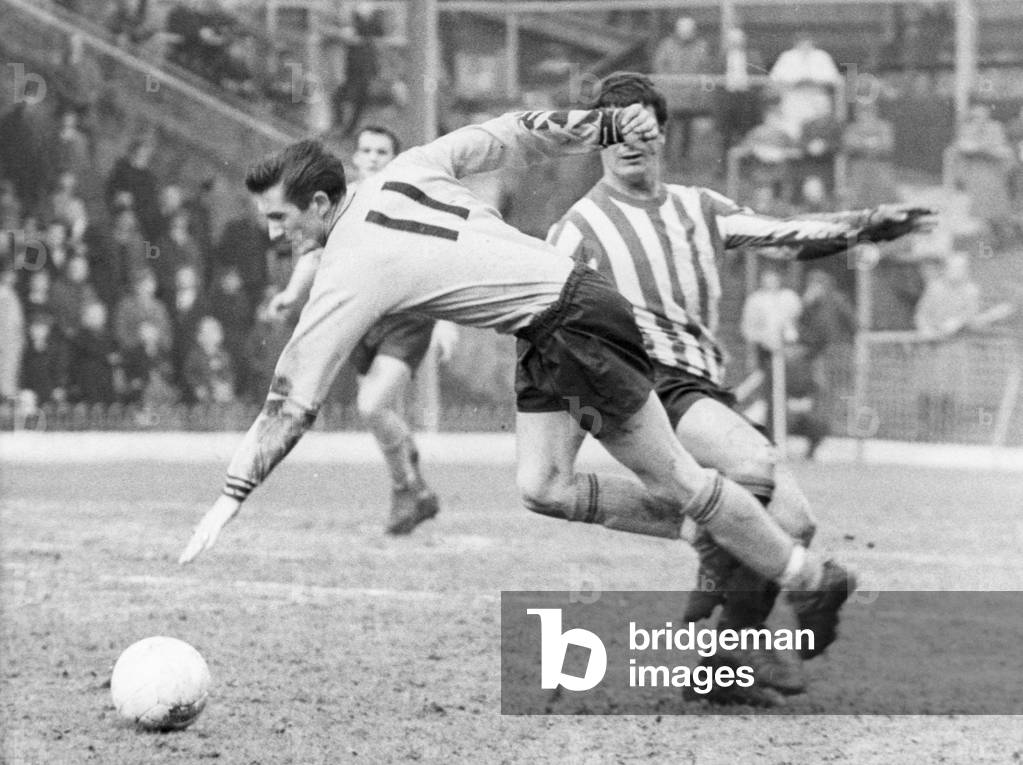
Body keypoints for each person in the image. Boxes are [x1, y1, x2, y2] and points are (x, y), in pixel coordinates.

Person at [179, 101, 864, 669]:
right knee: (543, 486)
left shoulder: (348, 265)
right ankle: (714, 533)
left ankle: (808, 578)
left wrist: (229, 495)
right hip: (555, 320)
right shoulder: (407, 166)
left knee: (683, 478)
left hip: (571, 323)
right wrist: (601, 124)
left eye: (279, 218)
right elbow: (512, 132)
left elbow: (289, 401)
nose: (273, 232)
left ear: (320, 201)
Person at [544, 73, 932, 701]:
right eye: (616, 132)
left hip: (701, 385)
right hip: (644, 385)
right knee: (754, 461)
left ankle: (720, 664)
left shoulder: (701, 207)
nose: (631, 143)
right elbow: (545, 324)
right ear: (598, 141)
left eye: (644, 128)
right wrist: (572, 416)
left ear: (663, 134)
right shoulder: (576, 229)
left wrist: (863, 226)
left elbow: (783, 235)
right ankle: (723, 566)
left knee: (795, 522)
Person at [266, 125, 449, 536]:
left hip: (407, 315)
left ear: (395, 158)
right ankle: (410, 491)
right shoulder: (339, 203)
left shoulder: (415, 200)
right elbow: (313, 254)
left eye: (381, 151)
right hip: (362, 317)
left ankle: (408, 484)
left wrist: (450, 320)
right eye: (365, 150)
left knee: (372, 405)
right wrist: (292, 294)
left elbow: (445, 257)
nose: (371, 157)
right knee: (383, 413)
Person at [651, 17, 711, 170]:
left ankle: (684, 160)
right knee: (667, 129)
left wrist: (697, 89)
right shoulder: (667, 45)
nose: (686, 34)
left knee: (687, 131)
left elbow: (704, 69)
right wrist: (668, 85)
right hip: (670, 96)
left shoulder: (701, 46)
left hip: (690, 97)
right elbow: (659, 66)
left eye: (689, 31)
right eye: (683, 31)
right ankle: (666, 160)